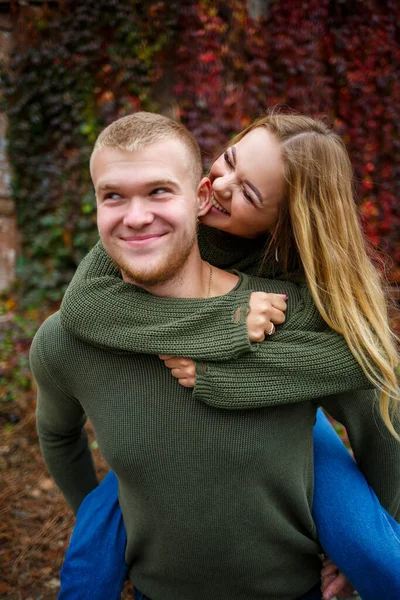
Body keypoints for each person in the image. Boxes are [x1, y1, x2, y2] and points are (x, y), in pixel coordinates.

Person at [31, 113, 400, 600]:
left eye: (249, 193)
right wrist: (222, 324)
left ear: (286, 223)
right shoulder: (128, 264)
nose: (221, 184)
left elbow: (364, 368)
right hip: (161, 560)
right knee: (94, 551)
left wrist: (229, 377)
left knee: (375, 553)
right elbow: (85, 308)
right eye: (226, 160)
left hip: (291, 415)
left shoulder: (294, 286)